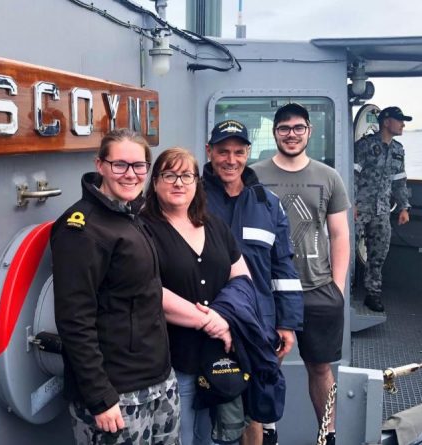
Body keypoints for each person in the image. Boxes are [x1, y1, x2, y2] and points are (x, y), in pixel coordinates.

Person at [51, 129, 180, 445]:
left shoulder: (132, 214)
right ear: (100, 165)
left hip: (158, 379)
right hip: (116, 393)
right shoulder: (81, 229)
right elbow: (74, 319)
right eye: (120, 165)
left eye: (139, 166)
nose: (131, 174)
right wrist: (99, 396)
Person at [252, 103, 351, 445]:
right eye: (283, 129)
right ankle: (268, 431)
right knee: (268, 366)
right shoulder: (255, 176)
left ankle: (327, 435)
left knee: (321, 369)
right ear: (274, 132)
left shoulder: (328, 177)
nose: (291, 135)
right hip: (269, 291)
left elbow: (339, 234)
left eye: (298, 128)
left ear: (309, 131)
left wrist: (337, 288)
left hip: (317, 289)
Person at [201, 119, 304, 445]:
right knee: (206, 408)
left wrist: (287, 324)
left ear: (247, 153)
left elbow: (283, 267)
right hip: (206, 324)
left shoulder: (267, 204)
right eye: (222, 151)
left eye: (238, 152)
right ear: (209, 152)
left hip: (257, 324)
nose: (230, 160)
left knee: (254, 407)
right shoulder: (192, 199)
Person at [142, 147, 252, 445]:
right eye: (169, 175)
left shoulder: (214, 225)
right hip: (176, 360)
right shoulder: (142, 230)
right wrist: (210, 321)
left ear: (197, 183)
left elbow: (242, 277)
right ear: (155, 183)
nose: (179, 183)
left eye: (187, 175)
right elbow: (147, 290)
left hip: (220, 358)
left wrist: (225, 319)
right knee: (183, 437)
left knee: (216, 437)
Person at [354, 106, 412, 312]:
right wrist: (351, 204)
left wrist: (404, 207)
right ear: (386, 122)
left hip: (382, 211)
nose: (403, 124)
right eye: (400, 120)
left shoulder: (398, 150)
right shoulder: (365, 146)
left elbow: (399, 181)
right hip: (360, 209)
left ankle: (373, 294)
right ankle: (344, 292)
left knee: (378, 254)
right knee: (349, 251)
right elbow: (353, 174)